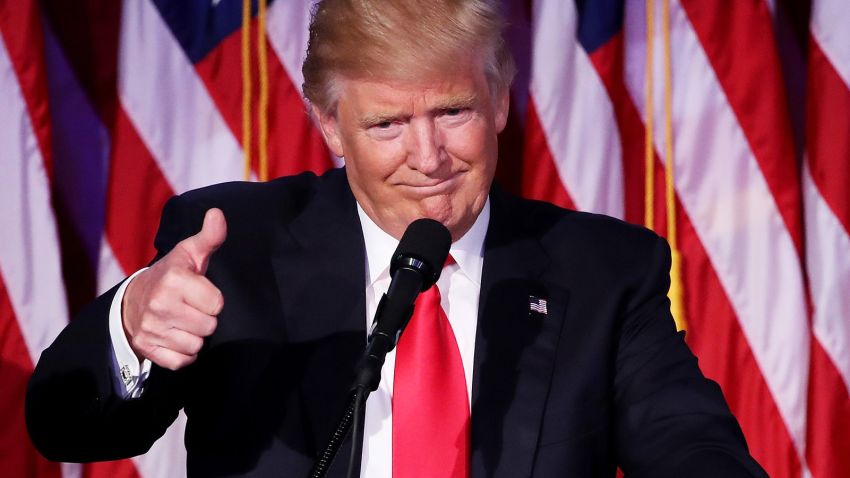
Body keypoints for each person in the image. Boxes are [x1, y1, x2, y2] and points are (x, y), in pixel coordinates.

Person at [27, 0, 767, 476]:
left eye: (452, 111)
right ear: (330, 126)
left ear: (501, 102)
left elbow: (689, 445)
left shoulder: (605, 269)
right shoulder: (237, 249)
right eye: (386, 124)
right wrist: (130, 324)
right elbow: (66, 427)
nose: (429, 156)